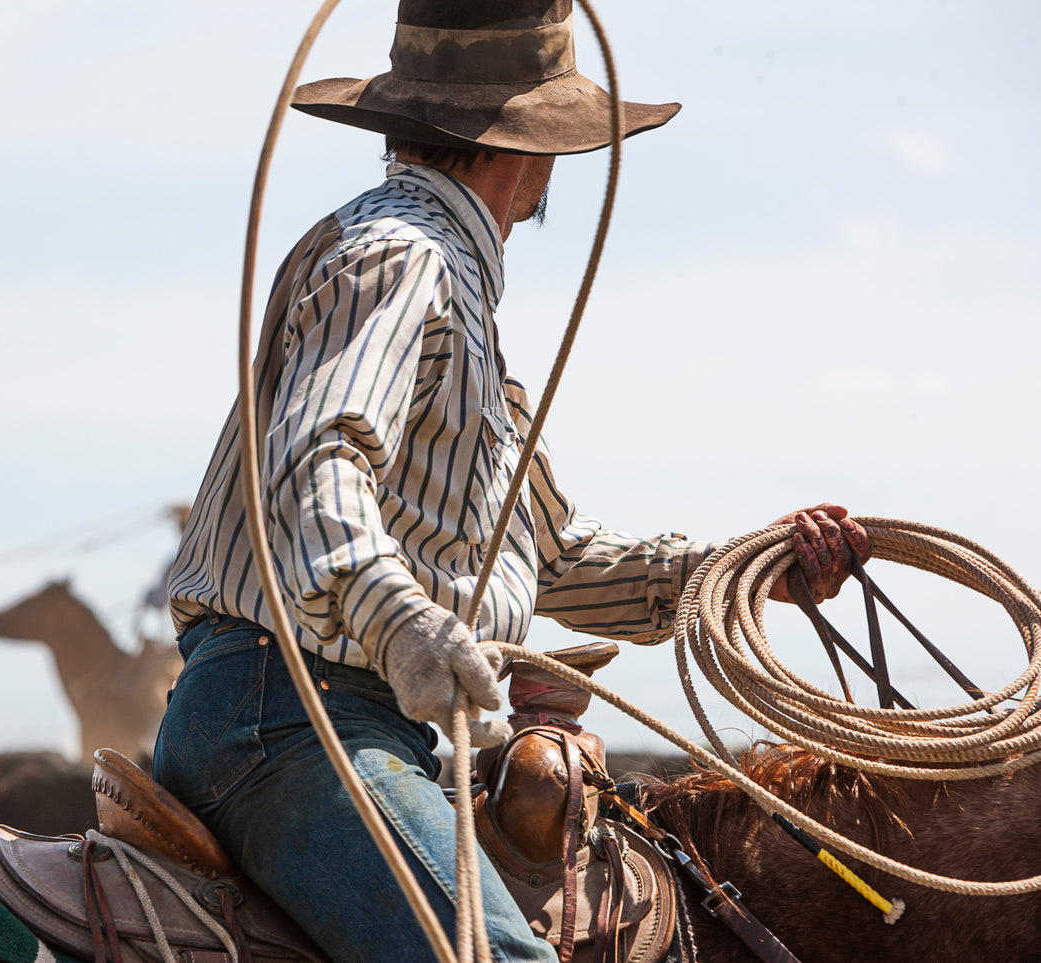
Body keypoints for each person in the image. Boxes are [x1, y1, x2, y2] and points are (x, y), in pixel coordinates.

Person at [153, 2, 869, 960]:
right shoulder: (402, 256)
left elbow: (550, 555)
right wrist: (398, 616)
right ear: (528, 147)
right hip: (287, 713)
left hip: (329, 714)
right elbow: (315, 458)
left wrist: (739, 572)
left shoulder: (451, 295)